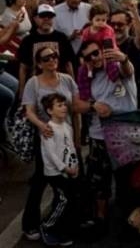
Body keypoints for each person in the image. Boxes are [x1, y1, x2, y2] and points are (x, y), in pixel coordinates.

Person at [73, 40, 137, 230]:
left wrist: (124, 59)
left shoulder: (116, 68)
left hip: (124, 133)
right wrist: (94, 106)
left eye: (96, 53)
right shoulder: (86, 76)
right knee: (99, 180)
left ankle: (128, 218)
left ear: (103, 51)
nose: (94, 58)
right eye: (88, 56)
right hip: (99, 135)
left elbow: (128, 71)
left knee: (126, 178)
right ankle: (101, 218)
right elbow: (76, 105)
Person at [39, 93, 79, 247]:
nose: (64, 108)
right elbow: (51, 155)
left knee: (66, 199)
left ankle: (63, 229)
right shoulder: (49, 129)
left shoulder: (67, 126)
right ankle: (47, 226)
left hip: (68, 171)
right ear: (50, 110)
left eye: (64, 105)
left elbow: (71, 148)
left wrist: (75, 166)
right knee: (63, 199)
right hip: (55, 173)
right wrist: (65, 168)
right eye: (59, 105)